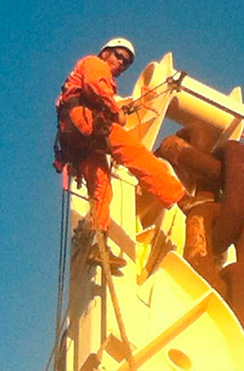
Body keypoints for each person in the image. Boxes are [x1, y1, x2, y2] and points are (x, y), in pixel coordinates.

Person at [55, 37, 185, 262]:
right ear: (105, 52)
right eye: (119, 56)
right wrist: (116, 111)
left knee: (102, 189)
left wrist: (127, 107)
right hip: (90, 125)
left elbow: (102, 96)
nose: (121, 63)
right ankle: (177, 196)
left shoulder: (94, 79)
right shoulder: (95, 64)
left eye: (126, 63)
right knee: (136, 154)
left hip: (79, 143)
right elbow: (96, 86)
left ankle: (98, 244)